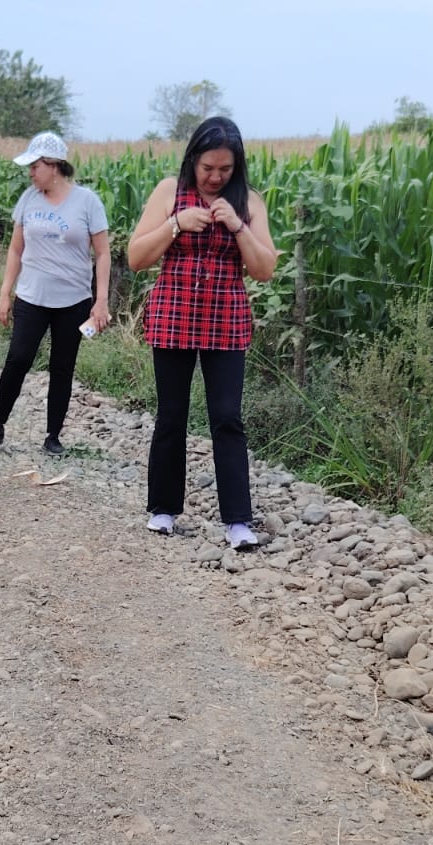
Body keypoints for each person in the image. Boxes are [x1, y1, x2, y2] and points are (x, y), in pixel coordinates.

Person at [127, 116, 277, 550]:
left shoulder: (249, 201)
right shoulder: (168, 192)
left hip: (226, 321)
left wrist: (238, 226)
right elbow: (136, 257)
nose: (215, 177)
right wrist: (175, 224)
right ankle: (163, 510)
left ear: (237, 166)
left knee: (227, 418)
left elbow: (264, 269)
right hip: (173, 316)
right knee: (171, 415)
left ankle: (238, 521)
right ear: (192, 159)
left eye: (225, 169)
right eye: (207, 167)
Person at [0, 131, 111, 456]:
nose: (30, 172)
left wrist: (101, 301)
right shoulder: (28, 199)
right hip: (31, 297)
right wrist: (5, 292)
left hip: (74, 301)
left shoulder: (87, 202)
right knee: (18, 359)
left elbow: (103, 254)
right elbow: (15, 249)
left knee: (62, 367)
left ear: (54, 166)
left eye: (35, 166)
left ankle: (53, 435)